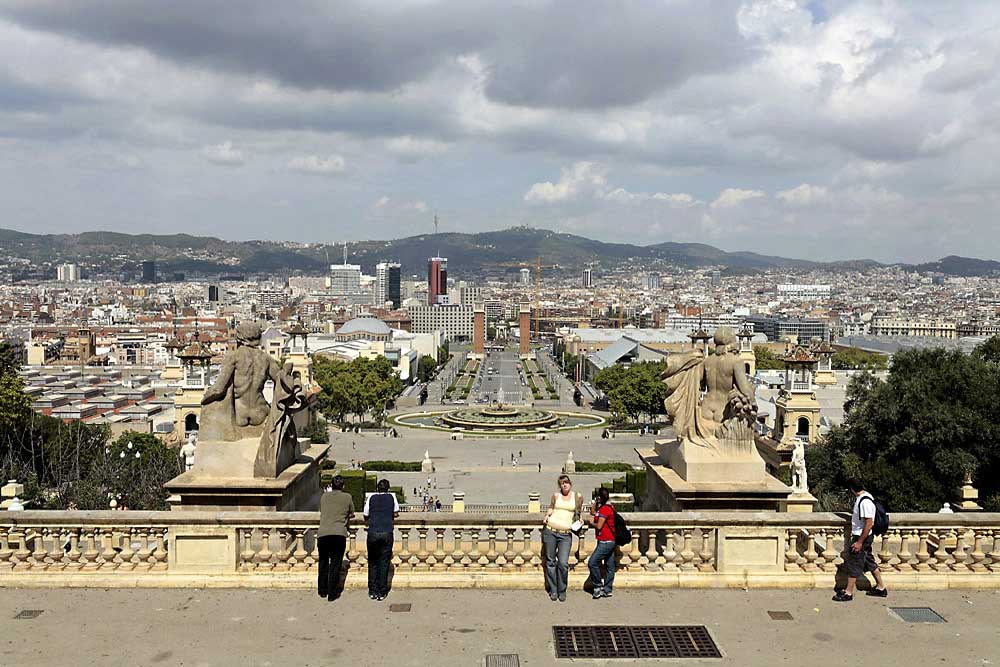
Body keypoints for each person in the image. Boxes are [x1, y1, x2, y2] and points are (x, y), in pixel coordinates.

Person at [834, 478, 887, 602]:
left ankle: (848, 592)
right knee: (869, 561)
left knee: (854, 564)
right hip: (863, 537)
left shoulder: (864, 502)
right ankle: (881, 587)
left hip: (861, 537)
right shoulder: (867, 497)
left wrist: (859, 542)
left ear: (852, 489)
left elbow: (869, 523)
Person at [542, 475, 583, 602]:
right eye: (562, 483)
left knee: (563, 563)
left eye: (566, 483)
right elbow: (551, 507)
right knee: (550, 561)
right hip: (550, 530)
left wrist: (580, 519)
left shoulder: (578, 497)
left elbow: (578, 511)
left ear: (570, 484)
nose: (564, 485)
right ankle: (553, 590)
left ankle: (562, 589)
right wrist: (547, 515)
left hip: (565, 534)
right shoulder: (556, 496)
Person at [317, 475, 355, 601]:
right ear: (343, 486)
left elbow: (322, 511)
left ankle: (322, 590)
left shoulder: (324, 496)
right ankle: (332, 593)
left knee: (323, 563)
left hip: (323, 533)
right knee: (335, 564)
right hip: (338, 534)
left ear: (331, 486)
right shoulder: (347, 497)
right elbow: (352, 513)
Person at [364, 478, 399, 601]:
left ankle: (372, 591)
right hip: (386, 532)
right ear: (388, 488)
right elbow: (395, 512)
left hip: (373, 532)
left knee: (373, 562)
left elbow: (365, 514)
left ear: (377, 489)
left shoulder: (371, 498)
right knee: (384, 562)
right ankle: (382, 591)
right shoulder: (391, 497)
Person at [587, 487, 616, 599]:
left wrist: (591, 523)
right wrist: (595, 502)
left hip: (606, 541)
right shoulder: (607, 507)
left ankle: (598, 587)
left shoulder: (605, 510)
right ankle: (607, 589)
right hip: (608, 540)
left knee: (592, 562)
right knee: (609, 565)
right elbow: (593, 512)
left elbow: (599, 525)